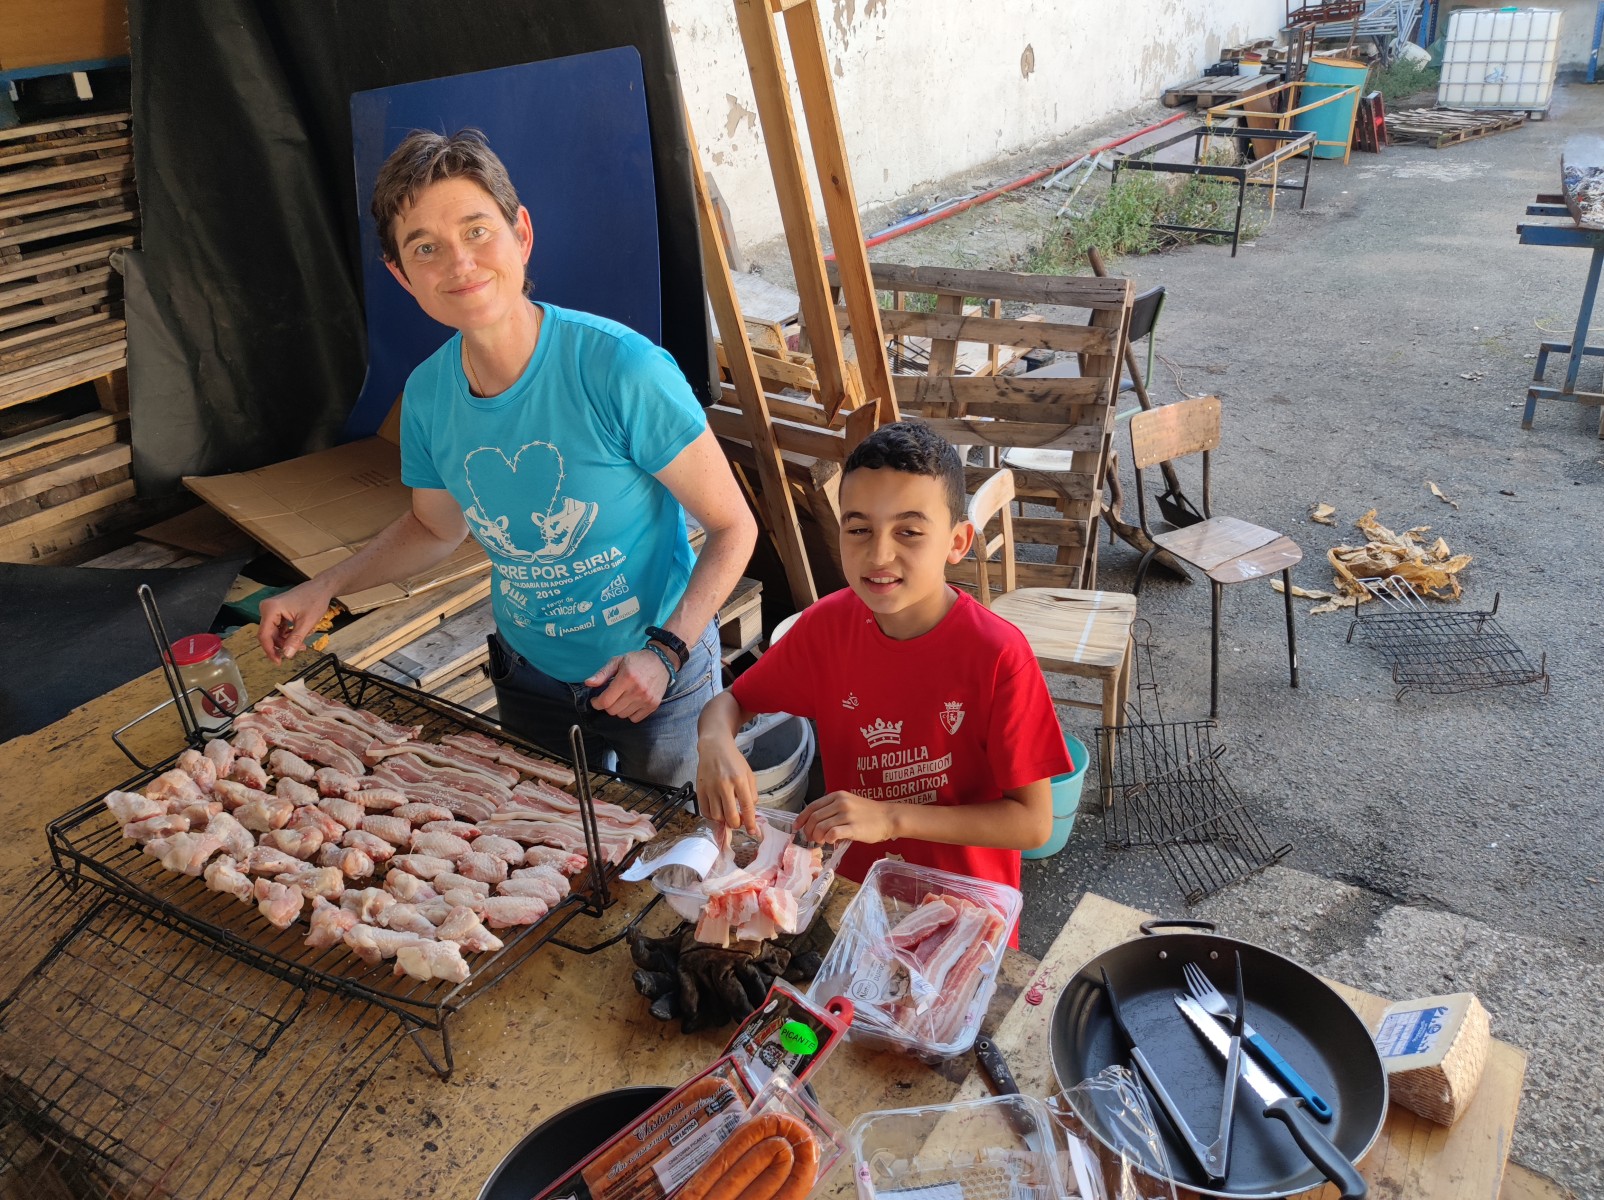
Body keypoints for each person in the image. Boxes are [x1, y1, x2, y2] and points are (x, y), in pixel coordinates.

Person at [259, 129, 756, 787]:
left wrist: (665, 654)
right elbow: (434, 527)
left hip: (657, 674)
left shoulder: (621, 370)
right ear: (401, 275)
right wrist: (326, 586)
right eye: (425, 248)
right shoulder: (428, 396)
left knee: (673, 843)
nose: (459, 263)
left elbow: (733, 526)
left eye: (477, 231)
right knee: (547, 836)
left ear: (521, 234)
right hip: (530, 681)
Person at [695, 422, 1071, 902]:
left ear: (957, 542)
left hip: (964, 908)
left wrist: (891, 817)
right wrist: (714, 741)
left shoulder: (998, 654)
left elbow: (1033, 823)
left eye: (909, 531)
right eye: (859, 530)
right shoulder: (826, 629)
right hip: (855, 895)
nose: (879, 554)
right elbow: (732, 702)